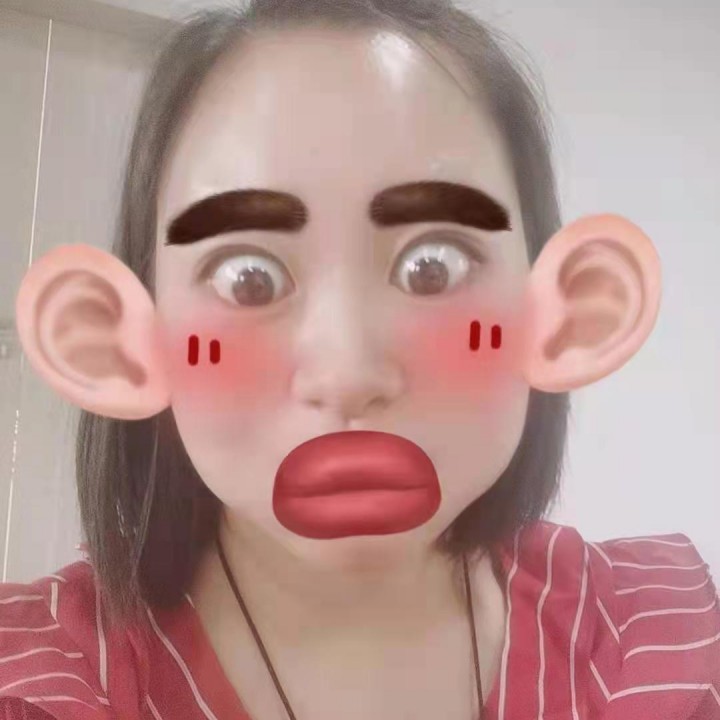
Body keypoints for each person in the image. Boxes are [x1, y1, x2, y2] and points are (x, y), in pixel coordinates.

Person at [2, 0, 718, 718]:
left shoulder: (661, 650)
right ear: (118, 344)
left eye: (433, 267)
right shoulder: (40, 682)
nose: (347, 372)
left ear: (570, 313)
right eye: (249, 279)